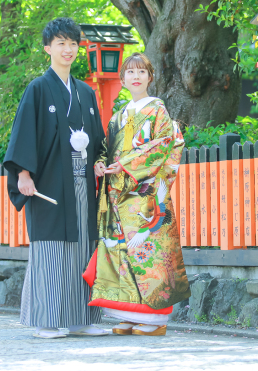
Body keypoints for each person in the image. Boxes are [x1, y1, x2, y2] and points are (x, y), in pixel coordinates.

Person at [3, 17, 109, 339]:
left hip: (81, 184)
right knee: (51, 250)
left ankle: (81, 320)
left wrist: (100, 164)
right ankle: (46, 322)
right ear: (48, 48)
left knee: (83, 248)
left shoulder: (86, 93)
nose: (68, 49)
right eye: (61, 43)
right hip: (48, 183)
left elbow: (98, 140)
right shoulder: (38, 89)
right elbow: (23, 136)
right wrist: (23, 173)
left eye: (73, 43)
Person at [86, 52, 191, 336]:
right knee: (120, 253)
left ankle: (154, 319)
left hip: (144, 193)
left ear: (149, 77)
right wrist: (99, 163)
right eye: (130, 73)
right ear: (122, 80)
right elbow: (106, 148)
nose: (135, 77)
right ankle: (128, 313)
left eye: (141, 72)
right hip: (117, 193)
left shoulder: (158, 109)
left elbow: (165, 143)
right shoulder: (118, 115)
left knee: (146, 253)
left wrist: (129, 164)